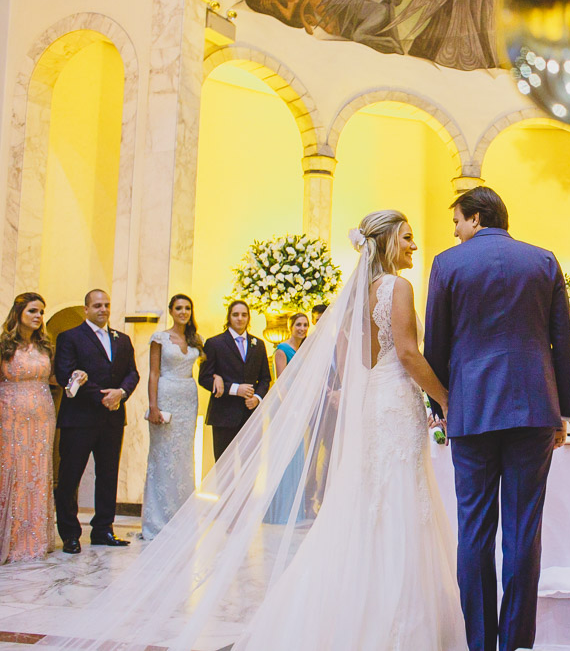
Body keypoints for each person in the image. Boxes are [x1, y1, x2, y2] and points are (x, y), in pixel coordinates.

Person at [29, 211, 466, 650]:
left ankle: (350, 609)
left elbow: (354, 358)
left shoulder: (354, 297)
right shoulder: (397, 287)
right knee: (397, 496)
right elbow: (407, 354)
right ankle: (396, 617)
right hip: (394, 400)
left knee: (369, 497)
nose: (413, 245)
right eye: (407, 238)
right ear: (387, 241)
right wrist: (444, 398)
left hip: (373, 399)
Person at [424, 186, 570, 651]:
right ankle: (515, 645)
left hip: (471, 410)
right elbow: (562, 340)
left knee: (473, 531)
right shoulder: (543, 261)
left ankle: (479, 644)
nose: (455, 231)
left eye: (457, 221)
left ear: (475, 217)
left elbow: (436, 343)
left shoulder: (447, 264)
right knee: (523, 531)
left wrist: (439, 406)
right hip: (534, 408)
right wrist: (563, 411)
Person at [53, 289, 140, 554]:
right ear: (86, 309)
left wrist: (121, 393)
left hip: (112, 419)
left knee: (108, 475)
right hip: (79, 418)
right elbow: (64, 373)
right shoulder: (70, 337)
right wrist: (103, 396)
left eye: (107, 305)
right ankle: (70, 533)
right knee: (70, 476)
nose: (103, 309)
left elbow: (132, 373)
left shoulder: (122, 339)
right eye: (97, 305)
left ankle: (103, 529)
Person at [140, 294, 203, 540]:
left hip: (188, 397)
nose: (183, 312)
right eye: (179, 308)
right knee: (163, 456)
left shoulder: (196, 339)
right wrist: (153, 406)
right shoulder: (160, 338)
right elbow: (153, 373)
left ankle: (183, 518)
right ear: (171, 311)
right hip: (166, 395)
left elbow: (206, 369)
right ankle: (158, 521)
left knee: (184, 458)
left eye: (187, 308)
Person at [0, 293, 56, 563]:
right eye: (33, 311)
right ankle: (11, 538)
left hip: (43, 415)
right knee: (13, 469)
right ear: (19, 313)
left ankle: (34, 538)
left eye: (42, 312)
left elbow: (52, 378)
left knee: (38, 470)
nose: (38, 316)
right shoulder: (4, 345)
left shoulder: (45, 346)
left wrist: (76, 377)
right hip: (11, 414)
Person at [198, 301, 270, 461]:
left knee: (251, 464)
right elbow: (204, 378)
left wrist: (257, 398)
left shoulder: (258, 344)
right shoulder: (214, 343)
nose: (240, 318)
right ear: (229, 317)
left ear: (249, 318)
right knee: (224, 465)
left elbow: (265, 378)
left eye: (244, 315)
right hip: (224, 415)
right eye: (235, 314)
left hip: (250, 414)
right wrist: (235, 389)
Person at [265, 312, 309, 524]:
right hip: (285, 407)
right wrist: (289, 408)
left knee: (296, 455)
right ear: (291, 327)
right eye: (298, 324)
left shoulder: (305, 350)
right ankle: (280, 511)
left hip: (299, 404)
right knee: (284, 455)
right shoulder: (282, 349)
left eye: (305, 325)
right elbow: (280, 382)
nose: (302, 328)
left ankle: (294, 509)